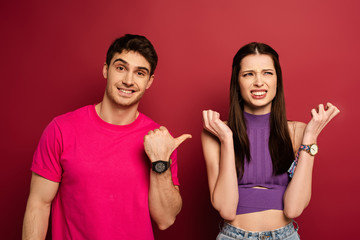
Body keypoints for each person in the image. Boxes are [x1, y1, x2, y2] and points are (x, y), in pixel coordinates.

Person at [22, 34, 191, 240]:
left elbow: (165, 219)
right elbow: (38, 205)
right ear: (106, 70)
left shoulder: (160, 140)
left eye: (140, 73)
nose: (128, 81)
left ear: (149, 81)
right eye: (121, 68)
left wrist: (160, 162)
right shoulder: (61, 129)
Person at [201, 42, 340, 240]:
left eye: (267, 73)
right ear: (237, 82)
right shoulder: (216, 132)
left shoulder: (297, 131)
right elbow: (227, 209)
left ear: (277, 80)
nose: (259, 82)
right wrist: (227, 139)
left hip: (285, 236)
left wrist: (309, 138)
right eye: (248, 74)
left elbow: (294, 208)